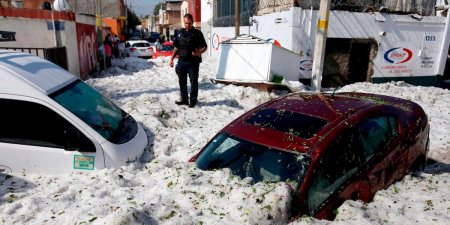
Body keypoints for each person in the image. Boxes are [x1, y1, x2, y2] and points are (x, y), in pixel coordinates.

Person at [169, 14, 207, 108]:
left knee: (193, 82)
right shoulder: (179, 32)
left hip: (193, 62)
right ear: (183, 22)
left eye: (189, 23)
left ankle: (193, 101)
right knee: (182, 82)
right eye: (185, 23)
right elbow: (176, 47)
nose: (187, 25)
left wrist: (198, 53)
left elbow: (205, 47)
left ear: (192, 22)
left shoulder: (197, 33)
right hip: (181, 61)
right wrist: (171, 59)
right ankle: (184, 99)